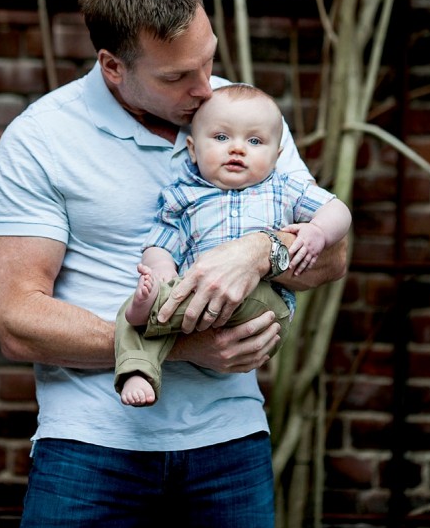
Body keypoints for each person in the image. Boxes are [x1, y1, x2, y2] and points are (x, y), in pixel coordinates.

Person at [0, 0, 348, 528]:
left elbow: (331, 256)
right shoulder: (40, 139)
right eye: (177, 77)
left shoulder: (240, 115)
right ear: (112, 66)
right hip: (90, 447)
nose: (205, 90)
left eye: (208, 61)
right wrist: (184, 348)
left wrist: (257, 251)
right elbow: (17, 319)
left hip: (231, 442)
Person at [115, 83, 352, 406]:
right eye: (222, 138)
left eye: (254, 141)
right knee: (133, 309)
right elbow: (161, 245)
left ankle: (151, 317)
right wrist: (160, 277)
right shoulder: (183, 198)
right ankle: (139, 370)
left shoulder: (281, 188)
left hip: (263, 305)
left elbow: (338, 210)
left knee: (147, 317)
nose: (237, 149)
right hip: (198, 300)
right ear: (193, 149)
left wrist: (319, 232)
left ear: (276, 156)